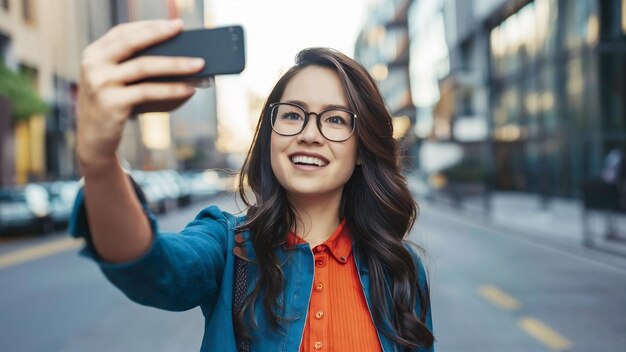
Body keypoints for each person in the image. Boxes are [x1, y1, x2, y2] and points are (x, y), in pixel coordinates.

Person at [70, 19, 435, 351]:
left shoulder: (400, 268)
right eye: (293, 114)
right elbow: (153, 269)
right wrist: (99, 158)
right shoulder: (228, 246)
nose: (309, 134)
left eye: (335, 120)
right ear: (269, 136)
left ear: (361, 148)